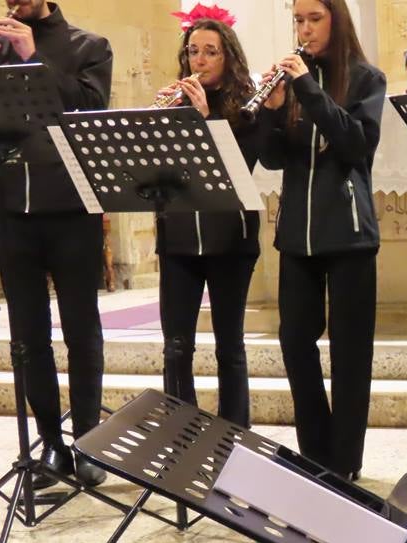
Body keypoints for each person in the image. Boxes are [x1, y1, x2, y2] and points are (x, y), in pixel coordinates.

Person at [0, 0, 110, 488]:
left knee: (82, 332)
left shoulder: (88, 47)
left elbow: (90, 108)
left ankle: (88, 445)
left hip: (72, 209)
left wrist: (35, 55)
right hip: (12, 212)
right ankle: (51, 447)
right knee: (27, 339)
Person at [257, 0, 385, 480]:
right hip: (297, 238)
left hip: (349, 236)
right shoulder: (291, 84)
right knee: (295, 343)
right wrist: (271, 113)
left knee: (351, 354)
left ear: (336, 20)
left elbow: (355, 144)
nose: (305, 29)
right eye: (299, 20)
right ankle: (316, 453)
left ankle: (345, 461)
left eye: (315, 18)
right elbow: (272, 159)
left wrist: (308, 89)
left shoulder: (365, 79)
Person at [153, 13, 259, 428]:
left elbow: (239, 168)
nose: (200, 60)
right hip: (178, 238)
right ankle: (182, 433)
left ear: (228, 58)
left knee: (228, 345)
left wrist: (205, 119)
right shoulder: (172, 105)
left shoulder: (248, 106)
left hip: (230, 239)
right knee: (176, 346)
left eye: (210, 52)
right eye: (193, 51)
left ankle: (235, 432)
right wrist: (157, 122)